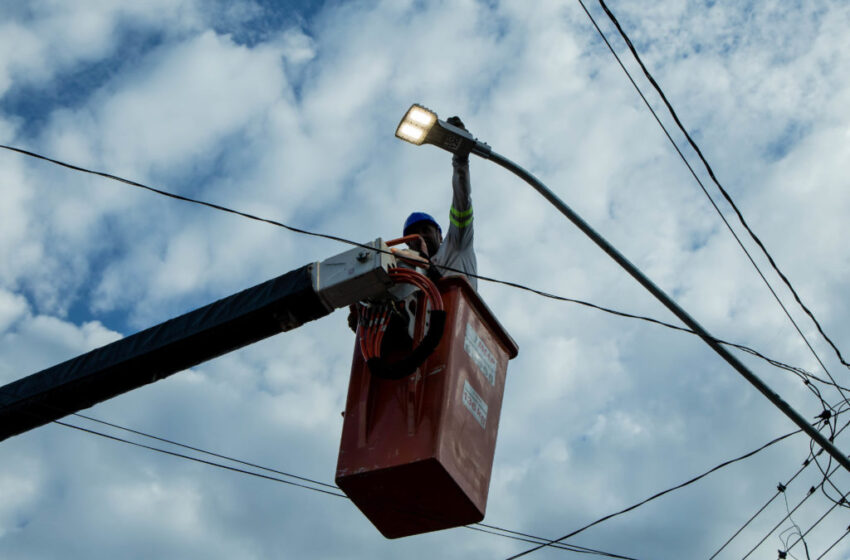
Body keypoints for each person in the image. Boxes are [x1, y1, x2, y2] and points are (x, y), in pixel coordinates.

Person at [401, 116, 477, 290]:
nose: (420, 236)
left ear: (440, 235)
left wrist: (460, 158)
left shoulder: (456, 245)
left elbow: (462, 201)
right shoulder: (410, 273)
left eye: (425, 230)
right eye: (413, 234)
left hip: (459, 314)